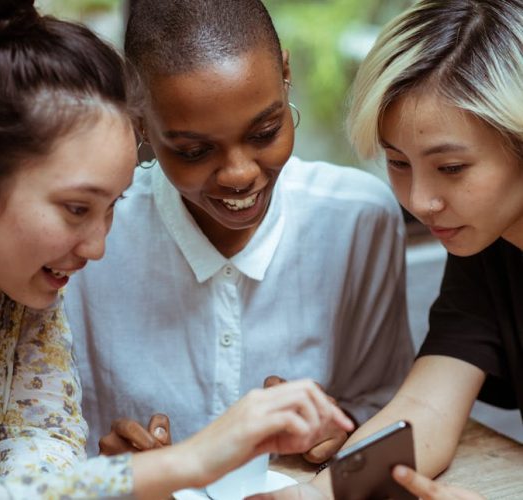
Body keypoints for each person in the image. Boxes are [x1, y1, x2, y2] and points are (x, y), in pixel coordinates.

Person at [0, 0, 355, 497]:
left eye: (113, 204)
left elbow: (43, 444)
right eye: (77, 208)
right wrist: (192, 460)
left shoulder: (16, 280)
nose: (97, 247)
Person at [65, 0, 413, 464]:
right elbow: (45, 444)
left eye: (265, 132)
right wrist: (106, 470)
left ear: (286, 72)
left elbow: (386, 409)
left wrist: (340, 426)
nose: (239, 174)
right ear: (140, 119)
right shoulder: (88, 247)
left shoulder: (357, 220)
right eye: (193, 151)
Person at [253, 0, 523, 498]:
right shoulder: (488, 245)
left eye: (452, 168)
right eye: (398, 163)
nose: (421, 201)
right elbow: (426, 410)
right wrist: (318, 494)